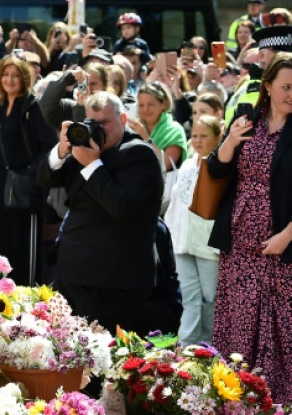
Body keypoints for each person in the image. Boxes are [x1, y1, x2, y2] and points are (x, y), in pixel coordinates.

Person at [38, 91, 163, 332]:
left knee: (104, 362)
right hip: (72, 274)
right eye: (92, 123)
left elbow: (121, 207)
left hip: (113, 283)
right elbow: (44, 177)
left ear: (123, 120)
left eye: (105, 123)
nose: (98, 130)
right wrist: (62, 151)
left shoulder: (139, 154)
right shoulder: (84, 147)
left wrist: (92, 164)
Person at [208, 53, 292, 403]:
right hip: (239, 244)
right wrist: (228, 142)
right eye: (286, 86)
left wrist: (287, 236)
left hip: (281, 246)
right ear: (268, 86)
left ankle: (278, 402)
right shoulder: (247, 122)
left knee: (281, 330)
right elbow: (215, 171)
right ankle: (235, 401)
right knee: (239, 326)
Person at [0, 56, 58, 285]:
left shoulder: (31, 106)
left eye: (15, 75)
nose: (9, 80)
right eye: (5, 75)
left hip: (24, 185)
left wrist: (29, 173)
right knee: (2, 243)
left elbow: (48, 145)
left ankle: (26, 294)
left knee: (23, 244)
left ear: (24, 78)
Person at [164, 114, 222, 345]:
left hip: (208, 246)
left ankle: (208, 348)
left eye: (204, 136)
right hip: (181, 243)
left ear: (218, 138)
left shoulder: (222, 168)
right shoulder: (187, 164)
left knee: (210, 300)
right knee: (190, 299)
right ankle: (186, 349)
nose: (197, 140)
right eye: (194, 135)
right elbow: (175, 203)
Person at [129, 81, 188, 172]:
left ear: (163, 104)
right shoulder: (132, 128)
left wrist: (145, 137)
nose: (145, 109)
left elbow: (165, 164)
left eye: (150, 104)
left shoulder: (174, 131)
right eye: (141, 105)